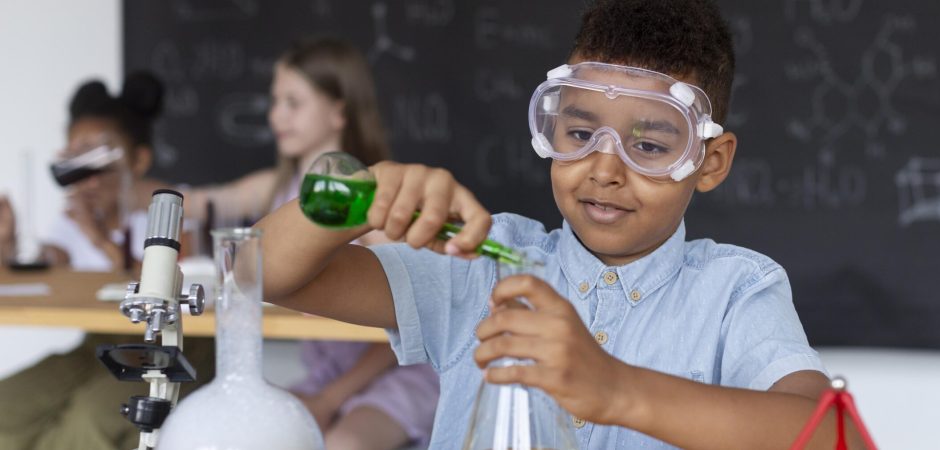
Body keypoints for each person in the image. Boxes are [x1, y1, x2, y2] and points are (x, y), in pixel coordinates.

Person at [254, 1, 857, 448]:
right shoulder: (484, 261)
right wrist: (361, 194)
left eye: (649, 146)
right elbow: (266, 274)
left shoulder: (734, 292)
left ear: (710, 161)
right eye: (577, 133)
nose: (603, 168)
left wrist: (616, 390)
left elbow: (837, 437)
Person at [180, 37, 438, 450]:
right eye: (274, 101)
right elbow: (192, 200)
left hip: (396, 375)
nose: (276, 115)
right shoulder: (277, 188)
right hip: (326, 377)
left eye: (293, 102)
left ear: (339, 111)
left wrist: (328, 400)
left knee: (342, 444)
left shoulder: (372, 197)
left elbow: (415, 317)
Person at [0, 72, 215, 450]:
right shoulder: (74, 218)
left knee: (88, 422)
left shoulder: (170, 207)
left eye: (99, 154)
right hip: (99, 344)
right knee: (10, 407)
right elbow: (47, 262)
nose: (89, 173)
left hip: (172, 349)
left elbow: (172, 289)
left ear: (137, 160)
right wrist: (8, 244)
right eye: (77, 157)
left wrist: (101, 240)